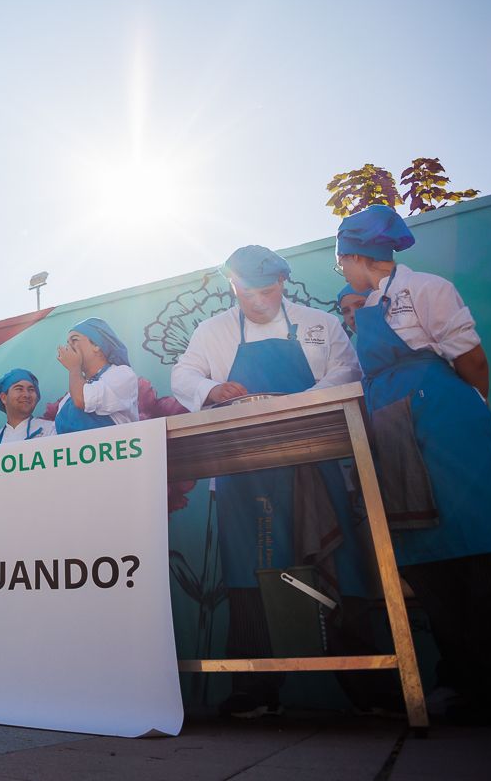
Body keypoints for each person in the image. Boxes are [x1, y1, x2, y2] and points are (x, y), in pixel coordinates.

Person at [337, 205, 491, 724]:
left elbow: (471, 360)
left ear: (355, 256)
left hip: (445, 428)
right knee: (426, 559)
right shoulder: (364, 305)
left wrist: (470, 416)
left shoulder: (428, 288)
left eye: (340, 260)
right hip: (394, 434)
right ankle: (466, 685)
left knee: (480, 551)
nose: (339, 269)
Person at [172, 245, 366, 719]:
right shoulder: (213, 330)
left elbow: (348, 370)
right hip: (242, 471)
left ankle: (369, 687)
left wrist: (296, 403)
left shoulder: (320, 323)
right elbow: (183, 375)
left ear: (282, 283)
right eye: (245, 291)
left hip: (314, 461)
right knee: (249, 575)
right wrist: (210, 390)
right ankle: (255, 690)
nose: (257, 301)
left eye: (266, 290)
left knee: (339, 564)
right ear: (231, 288)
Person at [52, 318, 139, 433]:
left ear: (97, 345)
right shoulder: (67, 399)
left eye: (74, 340)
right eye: (67, 343)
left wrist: (74, 367)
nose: (68, 347)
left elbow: (81, 400)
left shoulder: (122, 374)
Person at [0, 369, 56, 446]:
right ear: (3, 398)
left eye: (31, 390)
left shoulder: (50, 430)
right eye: (19, 389)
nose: (26, 395)